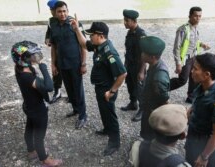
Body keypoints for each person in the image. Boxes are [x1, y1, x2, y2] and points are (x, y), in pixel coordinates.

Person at [71, 15, 127, 156]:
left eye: (92, 35)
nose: (90, 37)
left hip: (107, 90)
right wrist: (77, 29)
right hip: (100, 88)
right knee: (104, 112)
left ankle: (114, 143)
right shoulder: (98, 46)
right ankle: (107, 129)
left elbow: (122, 74)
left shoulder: (109, 52)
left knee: (110, 115)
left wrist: (112, 92)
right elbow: (84, 44)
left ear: (100, 35)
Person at [11, 41, 62, 166]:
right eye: (32, 56)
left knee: (29, 128)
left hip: (29, 106)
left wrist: (35, 63)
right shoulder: (27, 76)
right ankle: (45, 159)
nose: (36, 57)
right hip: (38, 110)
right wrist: (43, 67)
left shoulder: (20, 68)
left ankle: (31, 151)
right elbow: (49, 87)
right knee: (39, 135)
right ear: (23, 59)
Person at [185, 53, 215, 167]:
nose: (191, 71)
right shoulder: (200, 86)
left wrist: (204, 156)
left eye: (195, 69)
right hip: (193, 140)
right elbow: (194, 107)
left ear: (207, 74)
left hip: (205, 147)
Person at [50, 1, 87, 129]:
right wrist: (53, 64)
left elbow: (84, 46)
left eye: (65, 11)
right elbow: (53, 47)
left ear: (68, 10)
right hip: (62, 64)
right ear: (55, 12)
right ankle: (76, 109)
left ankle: (82, 116)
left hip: (75, 64)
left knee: (78, 90)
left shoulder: (75, 24)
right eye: (59, 11)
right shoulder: (52, 25)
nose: (62, 14)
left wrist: (83, 63)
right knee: (69, 89)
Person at [170, 6, 210, 104]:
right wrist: (178, 63)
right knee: (182, 80)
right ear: (190, 16)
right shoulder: (183, 29)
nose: (198, 18)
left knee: (195, 77)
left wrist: (202, 44)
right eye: (196, 16)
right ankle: (162, 88)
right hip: (186, 59)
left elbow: (194, 41)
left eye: (200, 16)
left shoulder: (195, 28)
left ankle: (191, 96)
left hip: (194, 57)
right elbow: (176, 47)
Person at [139, 36, 170, 141]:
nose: (141, 54)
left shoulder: (159, 77)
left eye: (144, 53)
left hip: (153, 111)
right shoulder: (154, 64)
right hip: (149, 108)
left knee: (150, 135)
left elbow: (164, 100)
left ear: (152, 57)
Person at [120, 9, 147, 122]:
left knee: (140, 88)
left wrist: (141, 71)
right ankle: (133, 103)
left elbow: (145, 54)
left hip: (138, 66)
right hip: (130, 65)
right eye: (124, 20)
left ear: (134, 21)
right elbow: (128, 51)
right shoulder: (130, 32)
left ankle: (142, 109)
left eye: (127, 21)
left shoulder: (141, 34)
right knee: (130, 85)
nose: (125, 23)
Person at [45, 0, 63, 104]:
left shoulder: (67, 20)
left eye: (52, 10)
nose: (51, 12)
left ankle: (72, 94)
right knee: (56, 72)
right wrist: (47, 39)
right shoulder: (51, 21)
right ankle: (57, 91)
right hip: (56, 52)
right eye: (51, 10)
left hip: (67, 54)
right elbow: (48, 33)